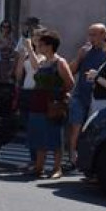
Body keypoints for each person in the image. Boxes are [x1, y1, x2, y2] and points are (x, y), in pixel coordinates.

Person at [28, 31, 74, 179]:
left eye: (41, 44)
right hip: (38, 103)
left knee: (54, 136)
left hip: (52, 104)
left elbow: (70, 83)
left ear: (50, 46)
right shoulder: (42, 62)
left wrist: (59, 96)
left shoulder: (59, 62)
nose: (39, 46)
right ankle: (39, 167)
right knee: (40, 135)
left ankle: (56, 168)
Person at [65, 22, 106, 167]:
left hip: (98, 97)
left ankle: (90, 160)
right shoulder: (85, 51)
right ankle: (72, 157)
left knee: (93, 129)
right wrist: (78, 57)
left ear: (104, 35)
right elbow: (70, 71)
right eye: (89, 34)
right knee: (75, 126)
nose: (90, 38)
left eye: (94, 35)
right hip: (79, 95)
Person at [14, 30, 45, 172]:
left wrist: (31, 50)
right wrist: (22, 56)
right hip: (26, 92)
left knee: (35, 128)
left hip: (36, 93)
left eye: (39, 38)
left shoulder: (44, 56)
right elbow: (19, 75)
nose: (35, 40)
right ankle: (32, 160)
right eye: (34, 37)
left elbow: (36, 67)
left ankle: (37, 161)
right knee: (28, 128)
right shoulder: (28, 54)